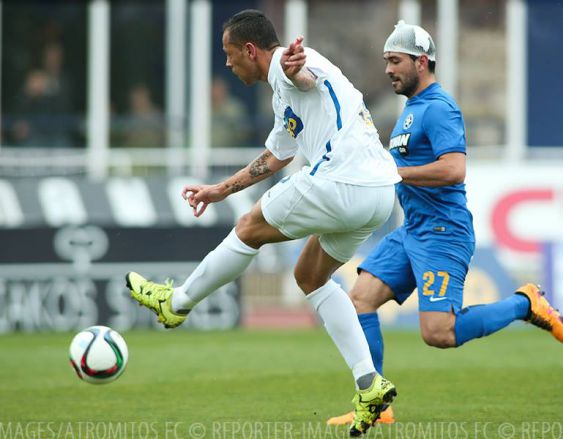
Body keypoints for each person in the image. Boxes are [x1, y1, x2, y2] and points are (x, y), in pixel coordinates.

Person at [125, 10, 400, 437]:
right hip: (379, 194)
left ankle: (176, 303)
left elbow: (303, 76)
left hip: (343, 181)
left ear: (250, 50)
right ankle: (369, 384)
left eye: (229, 53)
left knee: (249, 227)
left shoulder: (296, 65)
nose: (228, 63)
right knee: (310, 275)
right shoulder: (281, 96)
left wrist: (297, 69)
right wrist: (220, 189)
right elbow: (277, 156)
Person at [327, 21, 563, 426]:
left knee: (438, 333)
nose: (388, 69)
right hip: (413, 230)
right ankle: (376, 405)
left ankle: (525, 302)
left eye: (396, 60)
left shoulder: (438, 107)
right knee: (360, 301)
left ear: (422, 62)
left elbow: (454, 170)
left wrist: (395, 174)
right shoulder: (412, 109)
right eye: (386, 60)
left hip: (443, 232)